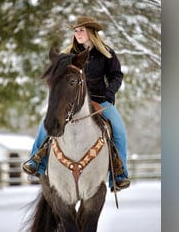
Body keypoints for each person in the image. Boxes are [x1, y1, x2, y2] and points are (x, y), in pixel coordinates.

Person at [22, 16, 130, 191]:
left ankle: (119, 174)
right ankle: (37, 161)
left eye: (81, 30)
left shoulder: (106, 53)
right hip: (72, 102)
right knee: (47, 122)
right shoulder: (67, 56)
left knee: (118, 130)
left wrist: (108, 96)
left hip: (100, 100)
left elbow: (116, 76)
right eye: (76, 30)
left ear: (91, 32)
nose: (78, 33)